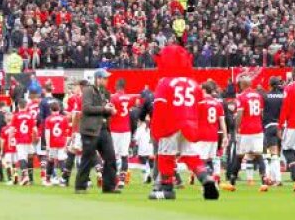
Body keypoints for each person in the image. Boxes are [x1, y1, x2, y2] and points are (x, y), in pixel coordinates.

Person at [148, 43, 220, 201]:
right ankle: (206, 179)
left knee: (165, 155)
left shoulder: (164, 82)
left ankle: (167, 189)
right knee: (191, 155)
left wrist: (155, 129)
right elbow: (201, 108)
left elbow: (159, 106)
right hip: (190, 123)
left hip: (170, 122)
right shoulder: (194, 84)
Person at [75, 70, 118, 194]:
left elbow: (105, 109)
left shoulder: (106, 93)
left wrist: (110, 110)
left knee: (110, 157)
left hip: (103, 128)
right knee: (87, 158)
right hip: (90, 129)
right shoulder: (88, 90)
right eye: (105, 78)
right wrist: (104, 109)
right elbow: (86, 108)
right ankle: (80, 186)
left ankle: (109, 187)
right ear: (98, 78)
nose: (107, 80)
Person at [227, 75, 267, 190]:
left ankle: (232, 181)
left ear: (242, 85)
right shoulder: (258, 96)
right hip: (258, 128)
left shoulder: (241, 97)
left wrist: (236, 128)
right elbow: (261, 113)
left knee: (239, 155)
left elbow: (239, 114)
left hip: (245, 130)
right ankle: (264, 180)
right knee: (259, 154)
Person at [109, 78, 138, 188]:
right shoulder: (129, 98)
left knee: (114, 155)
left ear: (116, 86)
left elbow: (111, 112)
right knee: (124, 154)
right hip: (126, 130)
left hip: (115, 129)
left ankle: (114, 178)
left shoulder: (113, 98)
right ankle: (122, 180)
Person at [262, 77, 286, 186]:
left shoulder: (265, 96)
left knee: (270, 154)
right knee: (277, 154)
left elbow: (262, 112)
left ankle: (274, 179)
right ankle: (276, 178)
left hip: (269, 126)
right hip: (281, 127)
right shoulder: (282, 96)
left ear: (270, 85)